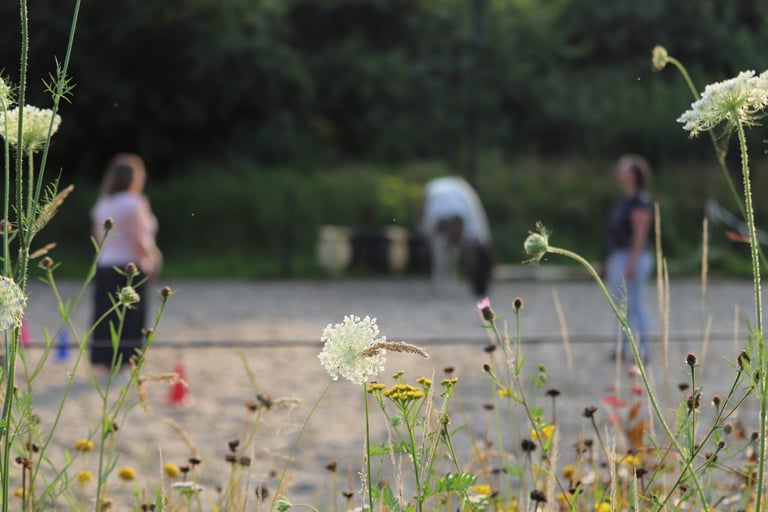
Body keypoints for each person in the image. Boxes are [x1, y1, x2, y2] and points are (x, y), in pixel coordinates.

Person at [90, 154, 162, 371]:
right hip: (129, 266)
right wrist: (154, 258)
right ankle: (125, 361)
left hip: (104, 265)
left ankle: (104, 360)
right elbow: (139, 237)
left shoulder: (103, 202)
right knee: (130, 317)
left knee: (105, 314)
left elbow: (96, 237)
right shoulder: (136, 202)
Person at [604, 155, 653, 362]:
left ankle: (643, 349)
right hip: (620, 256)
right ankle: (621, 346)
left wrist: (632, 261)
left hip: (631, 257)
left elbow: (640, 232)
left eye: (623, 170)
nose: (619, 173)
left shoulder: (639, 200)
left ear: (633, 175)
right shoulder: (626, 200)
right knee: (620, 303)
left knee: (634, 303)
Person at [421, 176, 493, 296]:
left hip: (448, 199)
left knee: (446, 252)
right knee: (443, 252)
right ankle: (443, 283)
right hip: (448, 199)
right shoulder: (437, 213)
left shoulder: (472, 228)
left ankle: (445, 283)